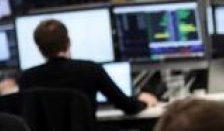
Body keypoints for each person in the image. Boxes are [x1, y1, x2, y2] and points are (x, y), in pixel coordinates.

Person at [18, 19, 158, 114]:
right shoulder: (90, 70)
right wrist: (143, 102)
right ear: (68, 42)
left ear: (39, 48)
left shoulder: (27, 79)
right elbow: (128, 107)